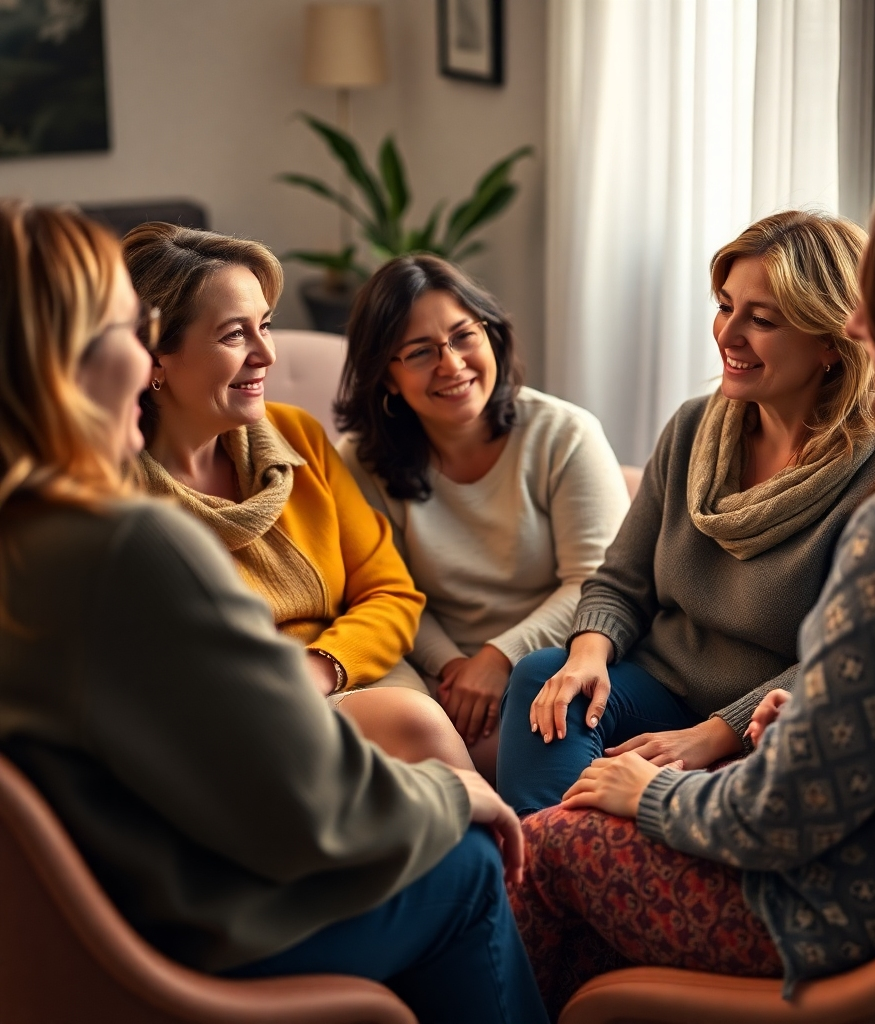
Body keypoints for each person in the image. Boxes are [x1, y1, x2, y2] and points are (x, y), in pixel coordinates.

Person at [0, 201, 547, 1024]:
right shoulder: (124, 541)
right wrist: (448, 795)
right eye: (127, 330)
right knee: (468, 864)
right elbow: (307, 803)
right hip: (188, 923)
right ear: (77, 362)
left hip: (101, 904)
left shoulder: (30, 532)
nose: (265, 353)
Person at [507, 168, 875, 1018]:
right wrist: (808, 708)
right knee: (555, 756)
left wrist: (653, 795)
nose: (861, 322)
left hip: (820, 909)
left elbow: (782, 818)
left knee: (542, 853)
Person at [498, 210, 875, 814]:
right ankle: (551, 868)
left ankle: (555, 874)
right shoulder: (693, 427)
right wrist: (587, 656)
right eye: (726, 306)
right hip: (661, 684)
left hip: (768, 718)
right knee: (542, 678)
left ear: (832, 343)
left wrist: (714, 734)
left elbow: (854, 651)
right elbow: (620, 580)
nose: (727, 335)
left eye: (761, 320)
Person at [122, 223, 471, 770]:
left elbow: (393, 596)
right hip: (239, 721)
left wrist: (321, 666)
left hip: (358, 676)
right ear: (154, 358)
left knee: (429, 748)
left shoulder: (298, 436)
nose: (267, 354)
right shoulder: (108, 495)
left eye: (265, 326)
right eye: (234, 334)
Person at [335, 254, 630, 778]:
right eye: (421, 352)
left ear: (492, 335)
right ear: (386, 377)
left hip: (555, 663)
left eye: (463, 336)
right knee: (397, 746)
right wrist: (452, 670)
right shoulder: (359, 459)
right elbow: (380, 591)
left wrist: (498, 659)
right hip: (433, 673)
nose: (451, 365)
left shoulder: (564, 434)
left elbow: (597, 583)